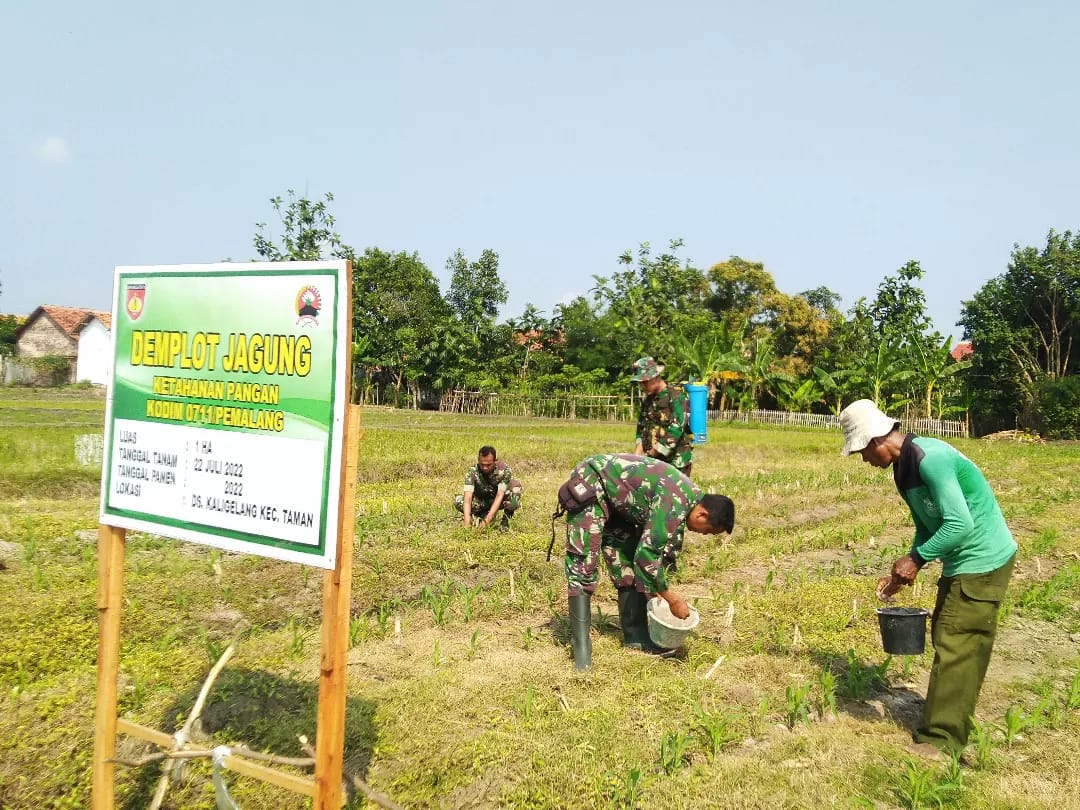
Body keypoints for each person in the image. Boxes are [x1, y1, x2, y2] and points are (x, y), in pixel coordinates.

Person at [839, 399, 1017, 759]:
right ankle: (949, 720)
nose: (863, 459)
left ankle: (942, 740)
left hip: (983, 559)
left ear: (876, 441)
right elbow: (927, 525)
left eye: (861, 451)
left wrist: (916, 559)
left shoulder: (929, 460)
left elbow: (960, 524)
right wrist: (904, 572)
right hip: (963, 561)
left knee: (957, 644)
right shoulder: (903, 471)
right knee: (949, 637)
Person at [561, 453, 735, 670]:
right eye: (708, 531)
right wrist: (672, 600)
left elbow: (644, 558)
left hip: (618, 503)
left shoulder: (688, 499)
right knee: (583, 564)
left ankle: (636, 637)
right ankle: (581, 650)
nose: (703, 535)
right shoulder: (676, 502)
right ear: (702, 515)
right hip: (593, 483)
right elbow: (647, 557)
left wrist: (654, 591)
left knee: (625, 563)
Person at [631, 356, 694, 476]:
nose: (642, 387)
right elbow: (641, 425)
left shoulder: (676, 396)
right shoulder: (648, 400)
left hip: (675, 462)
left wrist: (653, 453)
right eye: (640, 383)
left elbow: (676, 429)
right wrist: (638, 449)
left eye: (645, 382)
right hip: (652, 461)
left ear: (655, 377)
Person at [454, 445, 523, 530]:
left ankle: (505, 523)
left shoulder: (504, 471)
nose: (485, 468)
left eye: (488, 465)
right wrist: (466, 522)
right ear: (478, 461)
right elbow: (467, 498)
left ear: (495, 461)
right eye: (482, 464)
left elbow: (499, 495)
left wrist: (487, 520)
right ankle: (476, 517)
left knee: (515, 490)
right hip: (481, 501)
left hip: (498, 500)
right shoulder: (472, 472)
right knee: (458, 501)